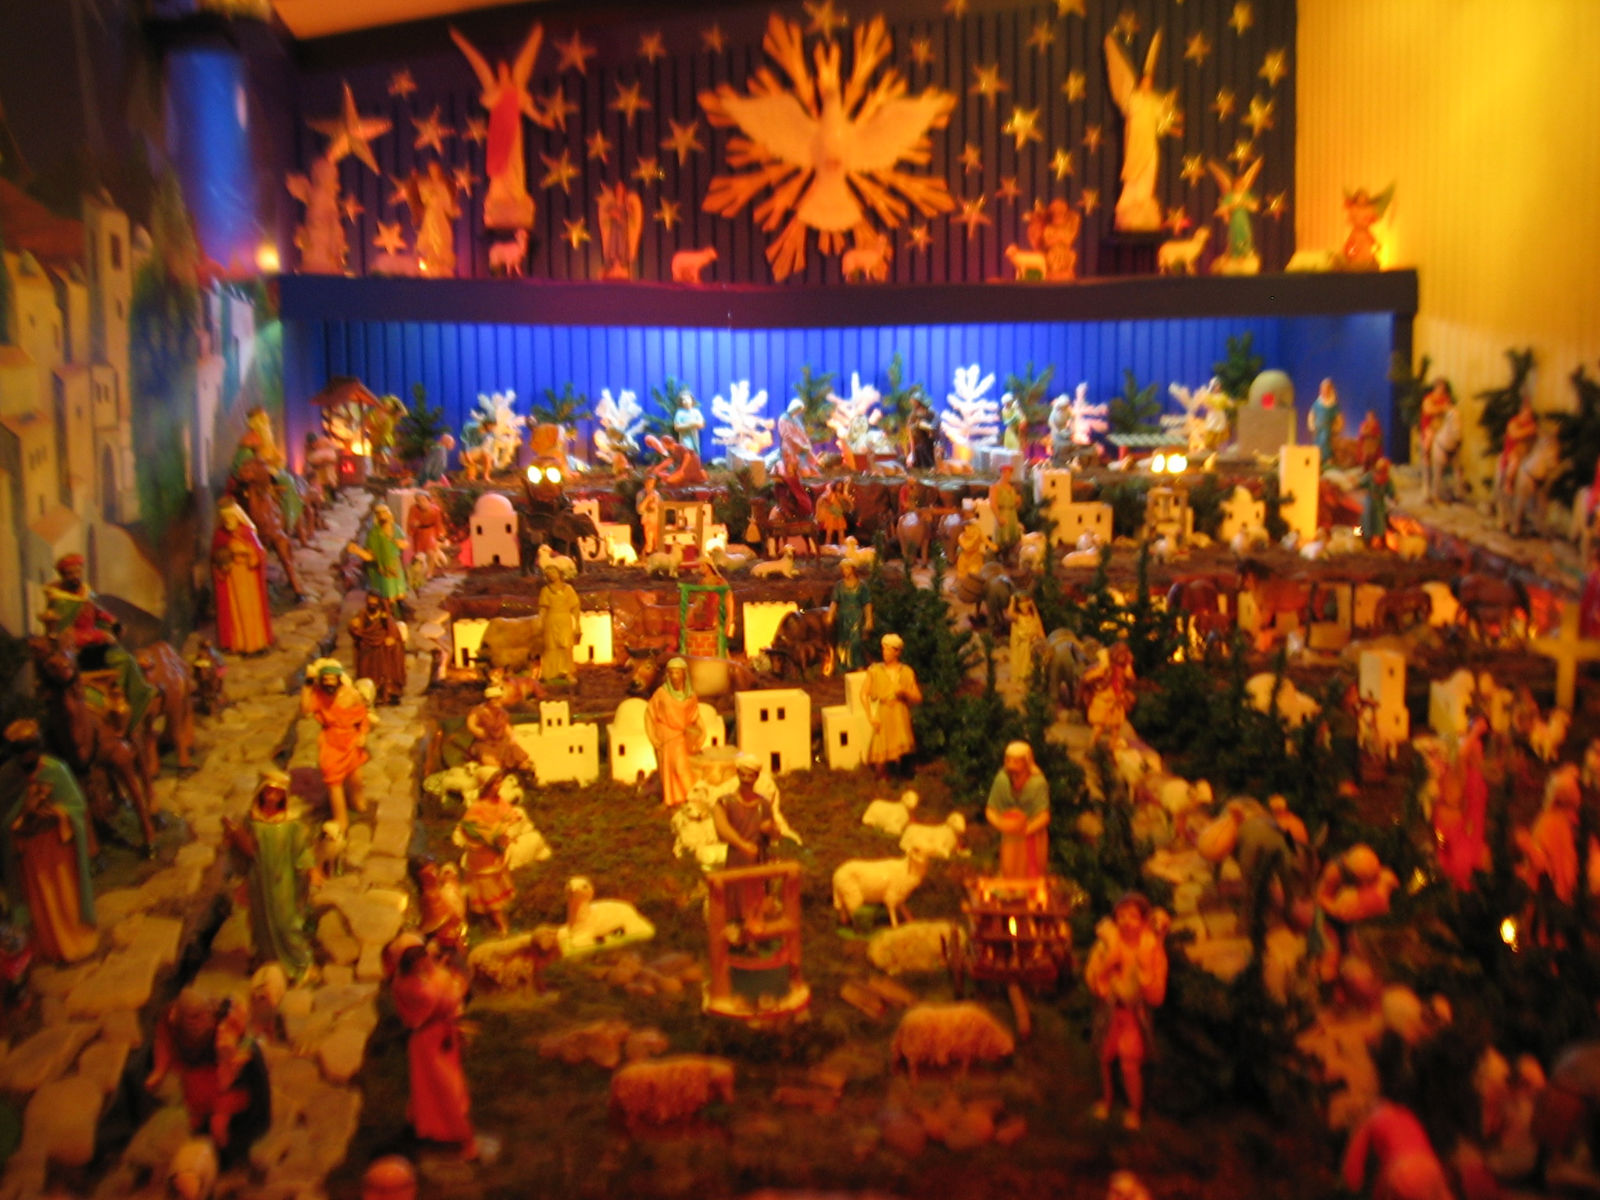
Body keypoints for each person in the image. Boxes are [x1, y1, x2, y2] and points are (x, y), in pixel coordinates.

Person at [1, 720, 96, 963]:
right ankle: (47, 946)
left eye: (30, 748)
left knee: (63, 894)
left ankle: (72, 940)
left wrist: (57, 813)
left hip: (56, 845)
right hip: (30, 850)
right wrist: (23, 815)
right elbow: (4, 819)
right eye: (21, 750)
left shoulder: (55, 770)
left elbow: (76, 806)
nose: (27, 756)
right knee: (40, 899)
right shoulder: (7, 777)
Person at [145, 989, 272, 1170]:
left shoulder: (223, 1023)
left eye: (203, 1015)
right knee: (201, 1118)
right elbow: (163, 1042)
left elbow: (243, 1043)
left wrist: (223, 1111)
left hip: (232, 1084)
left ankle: (234, 1151)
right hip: (201, 1083)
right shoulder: (171, 1022)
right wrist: (159, 1070)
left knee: (221, 1126)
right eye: (193, 1018)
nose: (199, 1022)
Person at [40, 553, 155, 730]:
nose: (75, 577)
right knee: (122, 661)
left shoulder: (84, 591)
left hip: (97, 646)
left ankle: (137, 699)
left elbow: (96, 611)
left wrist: (113, 622)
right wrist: (98, 636)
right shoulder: (60, 602)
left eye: (77, 572)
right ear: (64, 576)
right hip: (80, 652)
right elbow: (65, 635)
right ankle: (115, 705)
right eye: (70, 573)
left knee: (127, 658)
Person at [1085, 892, 1170, 1130]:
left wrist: (1144, 973)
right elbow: (1093, 979)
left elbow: (1156, 995)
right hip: (1110, 1012)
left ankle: (1134, 1109)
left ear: (1143, 921)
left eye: (1133, 916)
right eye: (1121, 916)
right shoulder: (1106, 944)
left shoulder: (1151, 949)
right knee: (1105, 1056)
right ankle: (1107, 1099)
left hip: (1133, 1015)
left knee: (1130, 1063)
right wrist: (1107, 963)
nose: (1126, 921)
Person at [223, 767, 316, 982]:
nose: (273, 797)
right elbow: (245, 852)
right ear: (261, 792)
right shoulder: (252, 821)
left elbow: (301, 850)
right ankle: (267, 960)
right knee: (261, 923)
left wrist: (310, 869)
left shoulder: (290, 824)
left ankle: (298, 964)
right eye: (269, 791)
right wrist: (233, 841)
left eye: (277, 793)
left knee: (286, 924)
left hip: (283, 883)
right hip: (259, 881)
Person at [390, 942, 476, 1158]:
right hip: (429, 1041)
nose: (430, 964)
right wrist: (452, 984)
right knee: (441, 1087)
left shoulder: (419, 980)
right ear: (416, 964)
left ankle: (427, 1126)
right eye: (425, 961)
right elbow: (440, 1000)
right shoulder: (415, 986)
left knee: (444, 1083)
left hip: (440, 1036)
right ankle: (461, 1138)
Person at [1103, 33, 1168, 232]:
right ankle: (1131, 202)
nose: (1147, 84)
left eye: (1149, 81)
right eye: (1144, 81)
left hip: (1149, 142)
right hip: (1136, 142)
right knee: (1135, 170)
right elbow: (1129, 111)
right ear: (1141, 83)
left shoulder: (1155, 101)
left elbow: (1161, 121)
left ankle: (1144, 199)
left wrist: (1170, 126)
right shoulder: (1134, 100)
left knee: (1150, 166)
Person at [299, 659, 371, 833]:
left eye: (332, 679)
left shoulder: (351, 694)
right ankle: (340, 818)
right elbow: (305, 709)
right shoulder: (318, 695)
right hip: (330, 741)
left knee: (355, 775)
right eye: (326, 679)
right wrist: (308, 684)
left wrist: (362, 734)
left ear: (338, 678)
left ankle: (358, 801)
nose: (329, 682)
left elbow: (363, 716)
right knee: (334, 782)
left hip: (350, 739)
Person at [711, 754, 779, 929]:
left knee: (758, 900)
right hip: (737, 860)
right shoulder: (725, 802)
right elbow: (722, 828)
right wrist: (742, 845)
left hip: (759, 860)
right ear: (738, 774)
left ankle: (756, 931)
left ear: (756, 777)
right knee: (736, 899)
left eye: (751, 775)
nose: (747, 779)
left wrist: (770, 829)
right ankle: (736, 930)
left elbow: (775, 833)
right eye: (743, 775)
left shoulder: (763, 804)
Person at [452, 774, 518, 936]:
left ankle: (497, 919)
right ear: (487, 786)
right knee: (489, 890)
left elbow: (510, 814)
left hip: (497, 854)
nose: (499, 786)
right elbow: (470, 828)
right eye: (495, 783)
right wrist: (491, 833)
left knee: (498, 886)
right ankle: (501, 925)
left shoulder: (499, 801)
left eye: (500, 782)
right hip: (483, 856)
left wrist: (510, 821)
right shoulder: (478, 807)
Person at [211, 498, 274, 656]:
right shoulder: (221, 534)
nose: (228, 521)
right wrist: (223, 561)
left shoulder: (247, 532)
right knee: (236, 612)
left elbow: (259, 553)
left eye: (231, 517)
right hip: (232, 578)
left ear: (237, 516)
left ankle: (254, 644)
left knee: (250, 611)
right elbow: (216, 555)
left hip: (248, 577)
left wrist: (245, 552)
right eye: (225, 518)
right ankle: (238, 643)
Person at [645, 658, 704, 808]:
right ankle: (670, 799)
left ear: (684, 674)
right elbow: (649, 714)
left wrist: (702, 732)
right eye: (671, 673)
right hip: (664, 735)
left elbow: (695, 715)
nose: (674, 676)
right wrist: (652, 736)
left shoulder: (690, 696)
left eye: (677, 672)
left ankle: (692, 798)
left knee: (680, 768)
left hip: (680, 737)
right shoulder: (662, 693)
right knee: (665, 769)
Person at [986, 741, 1050, 878]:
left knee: (1030, 874)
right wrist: (1001, 824)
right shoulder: (1002, 780)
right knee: (1009, 871)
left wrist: (1024, 830)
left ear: (1026, 762)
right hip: (1010, 838)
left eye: (1016, 762)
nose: (1011, 766)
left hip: (1032, 837)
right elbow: (991, 810)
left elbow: (1044, 816)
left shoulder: (1038, 783)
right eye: (1008, 761)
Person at [864, 634, 921, 776]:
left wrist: (905, 691)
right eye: (884, 649)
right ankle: (884, 774)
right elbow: (863, 694)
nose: (885, 653)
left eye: (888, 650)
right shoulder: (875, 670)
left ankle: (905, 771)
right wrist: (870, 716)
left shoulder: (906, 671)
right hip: (884, 713)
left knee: (902, 743)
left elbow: (918, 697)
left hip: (900, 713)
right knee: (882, 745)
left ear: (897, 652)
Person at [348, 593, 407, 706]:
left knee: (386, 670)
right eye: (370, 602)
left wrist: (391, 638)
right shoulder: (362, 614)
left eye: (374, 602)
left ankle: (388, 694)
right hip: (367, 649)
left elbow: (393, 633)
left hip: (382, 649)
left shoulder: (385, 617)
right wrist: (353, 626)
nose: (372, 604)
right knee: (367, 671)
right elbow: (355, 629)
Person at [348, 503, 408, 610]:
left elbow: (405, 543)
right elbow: (370, 556)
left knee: (399, 591)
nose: (382, 516)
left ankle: (400, 607)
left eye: (384, 513)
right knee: (386, 592)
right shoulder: (374, 534)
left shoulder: (396, 529)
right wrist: (358, 551)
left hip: (395, 566)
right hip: (382, 568)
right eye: (379, 514)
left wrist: (402, 544)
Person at [465, 686, 530, 772]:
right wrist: (479, 732)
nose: (498, 701)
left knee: (517, 754)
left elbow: (505, 725)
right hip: (484, 742)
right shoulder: (479, 710)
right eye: (495, 699)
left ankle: (520, 770)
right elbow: (471, 724)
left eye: (499, 698)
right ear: (489, 700)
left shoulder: (501, 712)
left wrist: (512, 737)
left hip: (500, 740)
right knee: (490, 761)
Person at [537, 564, 582, 685]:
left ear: (559, 573)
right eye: (548, 574)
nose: (551, 575)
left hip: (564, 620)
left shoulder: (568, 589)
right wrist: (540, 621)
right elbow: (543, 609)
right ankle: (550, 673)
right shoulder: (545, 590)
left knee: (566, 646)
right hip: (551, 620)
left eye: (553, 572)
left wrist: (577, 624)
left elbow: (575, 607)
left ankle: (568, 672)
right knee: (551, 646)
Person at [829, 560, 874, 673]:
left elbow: (867, 603)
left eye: (847, 568)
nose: (845, 571)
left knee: (856, 642)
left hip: (857, 616)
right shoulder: (839, 585)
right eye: (843, 569)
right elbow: (834, 601)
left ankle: (859, 665)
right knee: (843, 643)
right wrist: (830, 614)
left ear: (853, 569)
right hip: (843, 618)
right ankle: (844, 668)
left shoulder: (862, 586)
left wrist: (869, 619)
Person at [405, 489, 447, 578]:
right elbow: (410, 520)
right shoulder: (413, 509)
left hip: (430, 532)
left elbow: (438, 523)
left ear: (428, 500)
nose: (421, 502)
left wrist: (441, 534)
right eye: (418, 500)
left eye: (423, 500)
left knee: (431, 553)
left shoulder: (435, 510)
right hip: (419, 533)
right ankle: (419, 571)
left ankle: (430, 572)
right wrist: (413, 524)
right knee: (419, 554)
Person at [1008, 592, 1045, 686]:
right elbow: (1010, 614)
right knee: (1023, 669)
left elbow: (1040, 630)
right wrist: (1012, 601)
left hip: (1034, 648)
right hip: (1023, 650)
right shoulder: (1019, 618)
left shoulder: (1033, 617)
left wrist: (1042, 642)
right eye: (1021, 605)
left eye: (1025, 604)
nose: (1024, 607)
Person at [776, 398, 821, 477]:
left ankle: (808, 470)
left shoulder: (796, 419)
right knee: (797, 470)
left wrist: (806, 444)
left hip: (802, 447)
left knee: (809, 468)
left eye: (799, 410)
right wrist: (799, 446)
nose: (798, 412)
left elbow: (802, 433)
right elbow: (786, 435)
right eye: (797, 409)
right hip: (791, 447)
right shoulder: (783, 419)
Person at [1361, 458, 1397, 548]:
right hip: (1369, 502)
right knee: (1367, 521)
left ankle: (1382, 542)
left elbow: (1391, 491)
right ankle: (1367, 542)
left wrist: (1394, 497)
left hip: (1379, 503)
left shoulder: (1387, 480)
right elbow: (1361, 484)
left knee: (1380, 523)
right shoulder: (1370, 476)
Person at [1308, 378, 1343, 469]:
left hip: (1327, 429)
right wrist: (1312, 425)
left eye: (1326, 389)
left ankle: (1327, 461)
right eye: (1322, 389)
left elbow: (1339, 419)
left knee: (1325, 442)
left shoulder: (1333, 405)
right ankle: (1317, 463)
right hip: (1317, 429)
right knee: (1317, 444)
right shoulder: (1317, 403)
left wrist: (1337, 428)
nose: (1324, 392)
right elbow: (1311, 415)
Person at [989, 463, 1022, 551]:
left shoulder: (1012, 488)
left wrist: (1018, 502)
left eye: (1009, 473)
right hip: (1002, 514)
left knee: (1012, 539)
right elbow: (993, 504)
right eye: (1005, 473)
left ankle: (1009, 554)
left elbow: (1016, 506)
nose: (1007, 475)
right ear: (1001, 473)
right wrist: (998, 517)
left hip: (1012, 515)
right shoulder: (995, 487)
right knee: (1002, 540)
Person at [907, 396, 937, 470]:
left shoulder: (930, 413)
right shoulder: (913, 415)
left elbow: (933, 429)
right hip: (918, 442)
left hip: (927, 442)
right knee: (919, 450)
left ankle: (929, 468)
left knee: (924, 450)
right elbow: (909, 428)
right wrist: (917, 425)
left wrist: (928, 429)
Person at [673, 392, 705, 457]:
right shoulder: (679, 413)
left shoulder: (696, 412)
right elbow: (676, 427)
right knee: (687, 452)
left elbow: (701, 424)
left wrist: (694, 423)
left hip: (695, 438)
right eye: (683, 399)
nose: (686, 401)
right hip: (685, 438)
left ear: (692, 400)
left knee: (695, 453)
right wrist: (691, 424)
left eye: (688, 398)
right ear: (681, 402)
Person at [636, 475, 662, 554]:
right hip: (648, 519)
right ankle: (648, 552)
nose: (651, 485)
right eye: (649, 483)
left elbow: (660, 506)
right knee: (649, 539)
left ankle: (656, 551)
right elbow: (640, 509)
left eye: (653, 483)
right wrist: (647, 499)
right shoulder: (641, 494)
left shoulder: (656, 494)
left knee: (657, 539)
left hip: (656, 519)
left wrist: (656, 504)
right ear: (645, 483)